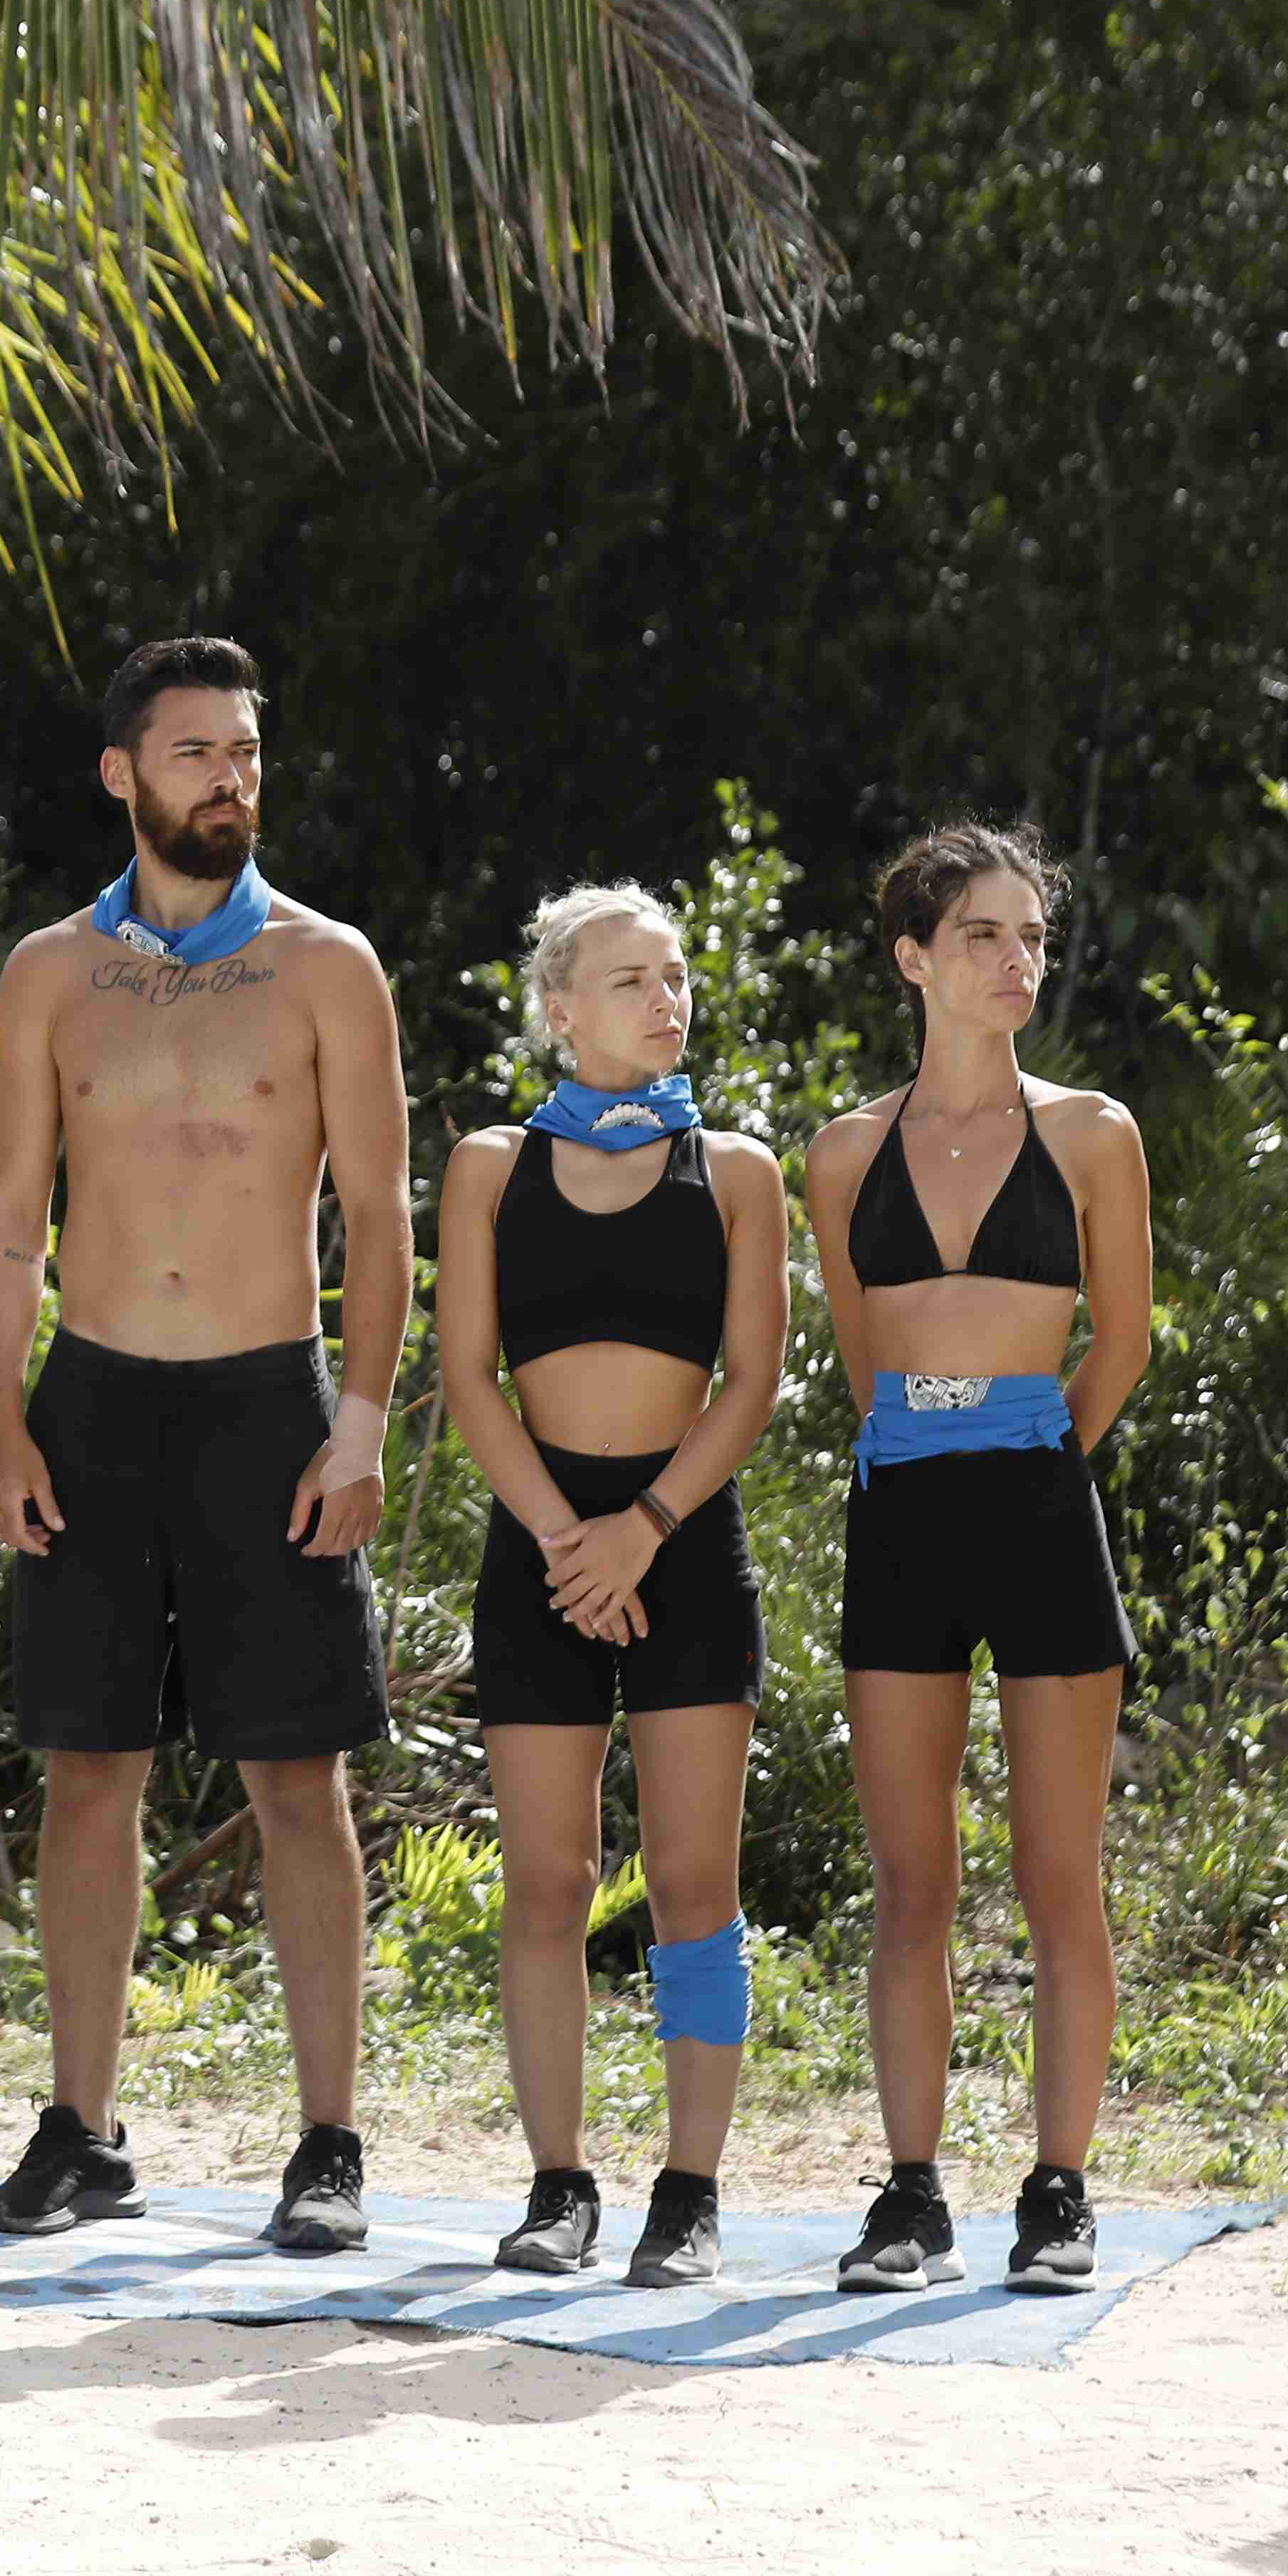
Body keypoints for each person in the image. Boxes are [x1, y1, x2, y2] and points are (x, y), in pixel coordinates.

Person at [0, 637, 411, 2251]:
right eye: (194, 752)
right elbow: (8, 1218)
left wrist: (356, 1427)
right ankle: (80, 2127)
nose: (229, 777)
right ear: (121, 775)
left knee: (297, 1777)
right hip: (91, 1404)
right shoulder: (48, 973)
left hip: (266, 1406)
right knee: (88, 1770)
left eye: (245, 750)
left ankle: (327, 2143)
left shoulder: (324, 966)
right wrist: (3, 1423)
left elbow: (380, 1214)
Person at [805, 824, 1150, 2295]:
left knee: (1057, 1876)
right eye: (983, 937)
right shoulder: (842, 1152)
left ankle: (1058, 2192)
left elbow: (1120, 1341)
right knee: (910, 1883)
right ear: (913, 958)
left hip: (1038, 1508)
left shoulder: (1091, 1133)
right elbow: (857, 1352)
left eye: (1032, 938)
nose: (1018, 963)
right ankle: (909, 2198)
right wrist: (934, 1439)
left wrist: (1033, 1453)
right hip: (899, 1510)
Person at [429, 884, 789, 2286]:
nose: (665, 999)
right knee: (546, 1880)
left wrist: (640, 1525)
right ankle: (557, 2185)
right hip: (541, 1551)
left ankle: (687, 2195)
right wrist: (565, 1540)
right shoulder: (488, 1166)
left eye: (676, 975)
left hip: (681, 1540)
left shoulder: (736, 1170)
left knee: (694, 1881)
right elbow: (468, 1377)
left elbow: (750, 1382)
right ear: (558, 1008)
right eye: (631, 979)